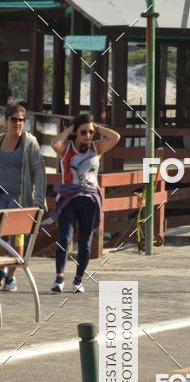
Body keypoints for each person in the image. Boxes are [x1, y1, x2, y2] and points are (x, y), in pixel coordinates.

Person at [48, 113, 120, 293]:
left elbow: (115, 137)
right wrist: (70, 129)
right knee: (65, 237)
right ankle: (59, 278)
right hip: (69, 200)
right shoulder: (67, 149)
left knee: (85, 241)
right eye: (83, 132)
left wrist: (97, 127)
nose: (88, 136)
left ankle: (78, 279)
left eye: (90, 132)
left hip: (89, 200)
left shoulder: (97, 148)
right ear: (76, 133)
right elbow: (54, 144)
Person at [0, 101, 46, 292]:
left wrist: (39, 201)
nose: (18, 123)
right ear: (5, 120)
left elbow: (40, 172)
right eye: (14, 119)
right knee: (0, 237)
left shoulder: (29, 143)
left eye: (22, 120)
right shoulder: (0, 140)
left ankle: (11, 277)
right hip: (1, 196)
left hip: (19, 197)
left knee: (16, 237)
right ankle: (2, 269)